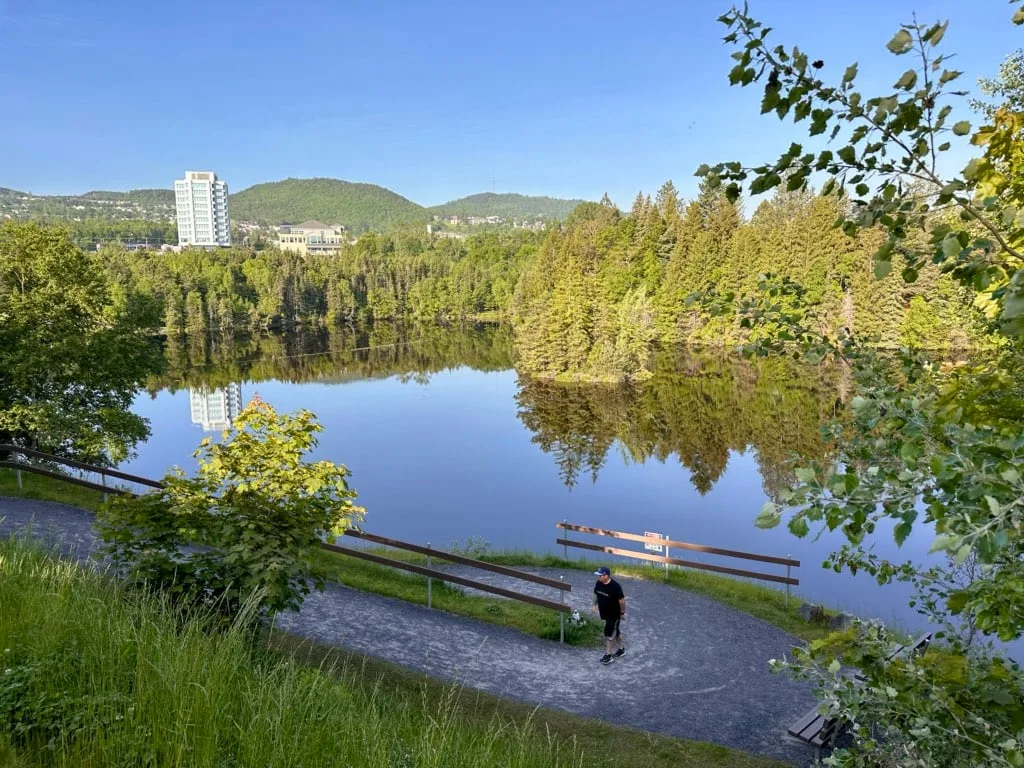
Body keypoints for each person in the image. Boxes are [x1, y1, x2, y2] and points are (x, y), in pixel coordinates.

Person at [592, 566, 625, 664]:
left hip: (613, 614)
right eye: (598, 575)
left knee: (608, 633)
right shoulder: (599, 583)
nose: (599, 577)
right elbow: (595, 593)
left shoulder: (615, 586)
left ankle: (608, 655)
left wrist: (622, 613)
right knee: (616, 633)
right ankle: (621, 649)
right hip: (605, 613)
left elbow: (622, 601)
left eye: (600, 575)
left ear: (606, 575)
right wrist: (594, 604)